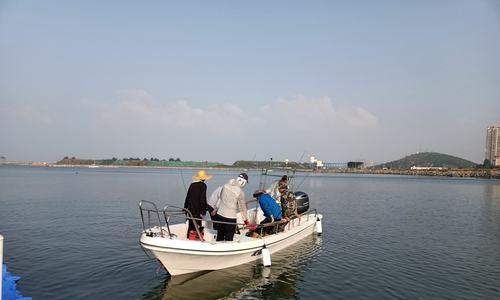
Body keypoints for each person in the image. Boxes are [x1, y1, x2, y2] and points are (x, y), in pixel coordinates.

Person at [215, 173, 255, 241]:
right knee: (229, 237)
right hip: (230, 217)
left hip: (220, 215)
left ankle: (218, 247)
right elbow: (242, 208)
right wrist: (245, 221)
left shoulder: (225, 186)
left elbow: (220, 198)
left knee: (220, 234)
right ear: (243, 182)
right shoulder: (240, 192)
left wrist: (216, 208)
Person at [184, 170, 212, 239]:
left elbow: (187, 197)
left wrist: (185, 208)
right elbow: (203, 199)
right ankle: (196, 239)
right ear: (204, 178)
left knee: (191, 226)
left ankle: (188, 238)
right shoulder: (203, 185)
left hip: (190, 209)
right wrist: (203, 212)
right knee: (198, 226)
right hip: (198, 210)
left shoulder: (192, 185)